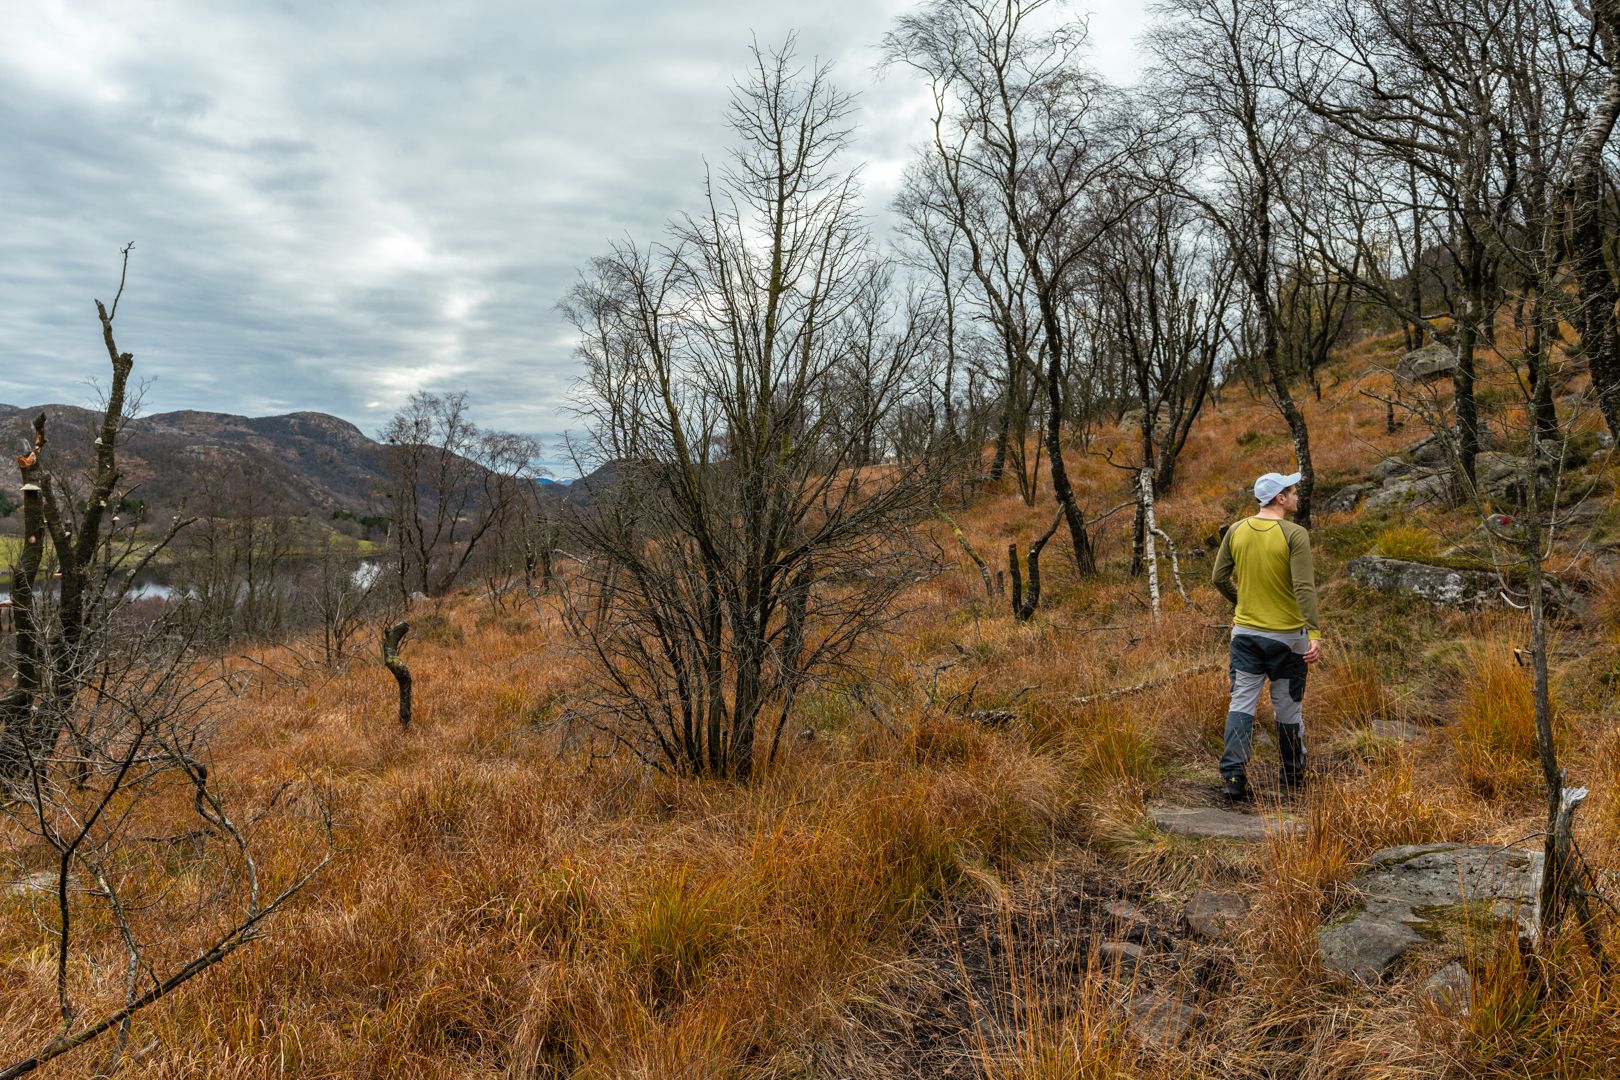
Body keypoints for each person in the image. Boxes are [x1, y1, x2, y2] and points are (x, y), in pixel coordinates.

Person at [1210, 471, 1322, 803]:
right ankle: (1293, 775)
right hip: (1288, 638)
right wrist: (1314, 632)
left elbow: (1218, 578)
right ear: (1279, 499)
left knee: (1241, 704)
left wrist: (1240, 602)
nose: (1297, 495)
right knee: (1288, 710)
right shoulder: (1294, 534)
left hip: (1244, 635)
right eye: (1292, 491)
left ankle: (1233, 779)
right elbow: (1303, 587)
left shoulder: (1236, 530)